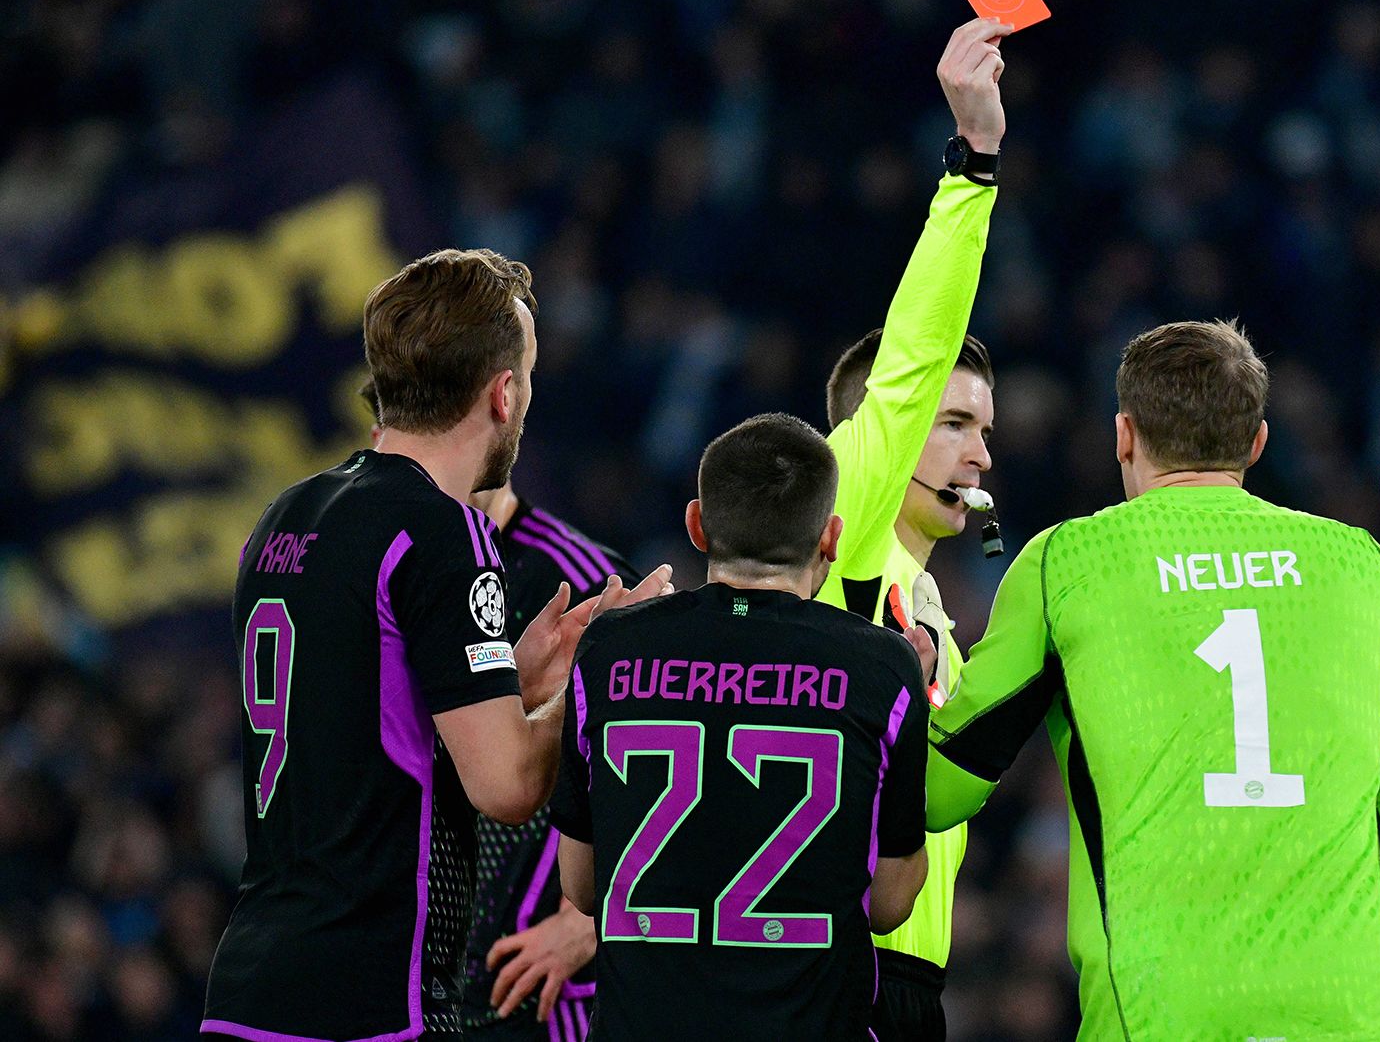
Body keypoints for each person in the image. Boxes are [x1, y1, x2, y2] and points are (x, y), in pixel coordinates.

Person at [203, 249, 669, 1041]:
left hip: (250, 988)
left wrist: (515, 683)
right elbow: (511, 786)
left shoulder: (284, 515)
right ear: (503, 390)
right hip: (369, 1000)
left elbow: (363, 719)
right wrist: (592, 678)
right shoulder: (445, 531)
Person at [927, 320, 1380, 1040]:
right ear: (1257, 442)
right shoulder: (1363, 565)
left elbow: (937, 791)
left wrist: (918, 679)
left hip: (1163, 1008)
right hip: (1358, 1005)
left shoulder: (1067, 564)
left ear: (1124, 436)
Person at [552, 414, 933, 1040]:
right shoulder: (880, 667)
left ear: (697, 524)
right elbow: (891, 906)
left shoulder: (609, 651)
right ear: (831, 538)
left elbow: (582, 885)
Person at [816, 15, 1009, 1040]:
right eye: (953, 425)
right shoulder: (838, 544)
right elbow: (908, 361)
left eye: (984, 431)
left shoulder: (929, 604)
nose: (978, 455)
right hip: (836, 973)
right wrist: (970, 165)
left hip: (910, 989)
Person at [363, 380, 637, 1042]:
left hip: (546, 1000)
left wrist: (591, 920)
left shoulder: (583, 576)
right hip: (413, 989)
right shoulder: (386, 564)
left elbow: (673, 765)